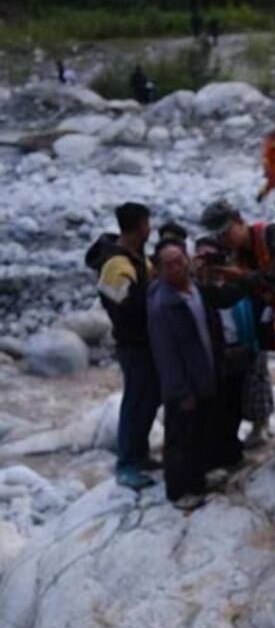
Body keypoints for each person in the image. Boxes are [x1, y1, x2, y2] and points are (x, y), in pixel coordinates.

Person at [198, 199, 275, 452]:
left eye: (225, 233)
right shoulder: (238, 257)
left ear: (240, 221)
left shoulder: (273, 236)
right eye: (218, 237)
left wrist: (241, 276)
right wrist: (203, 282)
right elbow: (227, 297)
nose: (224, 241)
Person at [147, 240, 230, 511]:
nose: (178, 267)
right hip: (184, 384)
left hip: (204, 373)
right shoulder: (163, 306)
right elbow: (166, 354)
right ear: (159, 270)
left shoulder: (195, 290)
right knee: (180, 438)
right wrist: (182, 391)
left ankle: (199, 478)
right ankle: (179, 491)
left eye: (180, 260)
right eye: (169, 264)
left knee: (201, 432)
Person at [96, 202, 161, 491]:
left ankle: (140, 453)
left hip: (146, 340)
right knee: (136, 400)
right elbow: (121, 307)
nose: (150, 230)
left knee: (148, 399)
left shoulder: (135, 257)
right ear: (139, 227)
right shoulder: (115, 265)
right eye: (147, 224)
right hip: (133, 343)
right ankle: (127, 464)